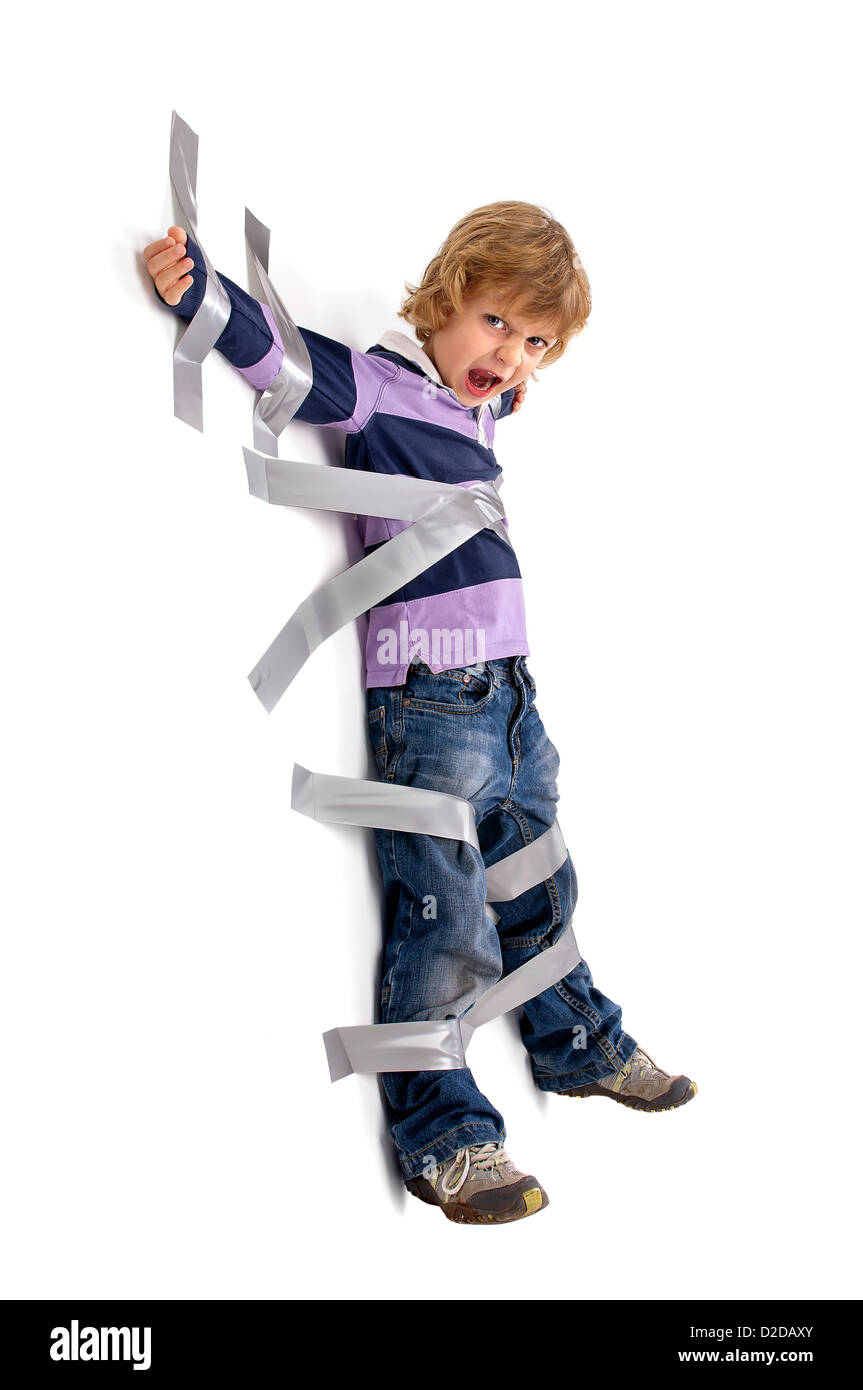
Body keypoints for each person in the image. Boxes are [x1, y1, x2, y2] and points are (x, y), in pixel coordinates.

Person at [143, 203, 696, 1226]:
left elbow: (492, 387)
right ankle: (445, 1134)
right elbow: (281, 360)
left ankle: (577, 1039)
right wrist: (199, 286)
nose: (510, 354)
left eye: (536, 343)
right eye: (495, 323)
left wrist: (502, 373)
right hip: (431, 693)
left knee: (538, 871)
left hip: (511, 690)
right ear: (445, 299)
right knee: (444, 911)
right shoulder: (381, 391)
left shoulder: (477, 403)